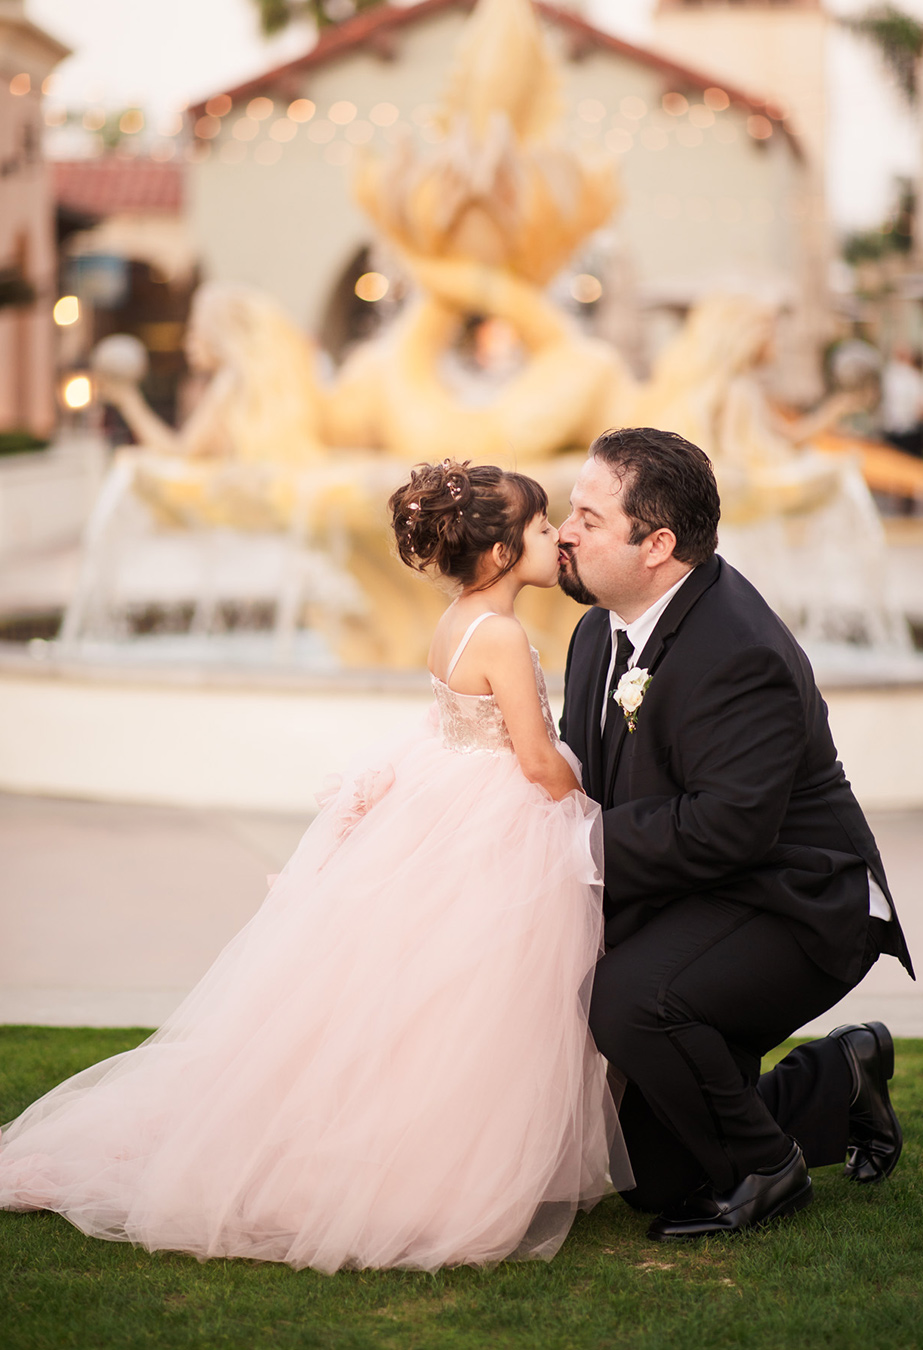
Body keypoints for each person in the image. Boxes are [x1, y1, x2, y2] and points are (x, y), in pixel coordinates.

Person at [0, 460, 623, 1272]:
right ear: (503, 554)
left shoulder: (459, 620)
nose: (556, 540)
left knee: (423, 996)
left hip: (446, 805)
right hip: (494, 820)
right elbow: (537, 762)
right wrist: (598, 807)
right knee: (479, 996)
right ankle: (435, 1166)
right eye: (542, 529)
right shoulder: (503, 635)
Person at [554, 427, 913, 1240]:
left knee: (631, 999)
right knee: (656, 1177)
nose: (564, 531)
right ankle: (840, 1075)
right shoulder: (594, 633)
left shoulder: (736, 650)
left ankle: (767, 1171)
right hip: (707, 892)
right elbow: (586, 774)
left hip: (798, 898)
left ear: (657, 545)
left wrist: (569, 849)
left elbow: (728, 828)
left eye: (587, 516)